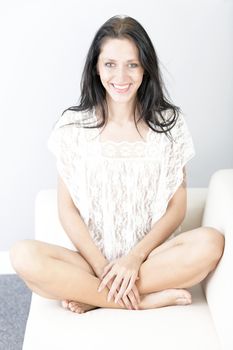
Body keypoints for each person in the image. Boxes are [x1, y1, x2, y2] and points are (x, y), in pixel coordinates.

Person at [10, 15, 224, 314]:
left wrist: (134, 258)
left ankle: (93, 297)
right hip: (90, 261)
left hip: (151, 259)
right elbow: (67, 209)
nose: (121, 76)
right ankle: (141, 299)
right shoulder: (73, 126)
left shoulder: (170, 125)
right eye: (110, 64)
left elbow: (177, 209)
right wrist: (100, 266)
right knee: (23, 255)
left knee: (210, 243)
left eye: (132, 64)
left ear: (145, 68)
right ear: (96, 68)